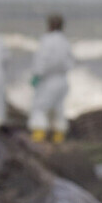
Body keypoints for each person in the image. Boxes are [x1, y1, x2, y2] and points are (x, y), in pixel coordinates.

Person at [28, 14, 73, 143]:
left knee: (40, 108)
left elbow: (41, 60)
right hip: (62, 80)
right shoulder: (65, 41)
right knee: (58, 109)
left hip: (48, 80)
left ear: (50, 25)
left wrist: (36, 75)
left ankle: (38, 137)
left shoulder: (46, 40)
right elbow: (71, 62)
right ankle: (58, 138)